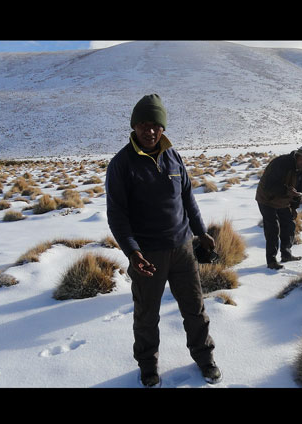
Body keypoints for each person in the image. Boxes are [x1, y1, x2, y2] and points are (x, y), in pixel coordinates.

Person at [105, 94, 221, 387]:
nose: (150, 130)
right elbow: (118, 216)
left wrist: (200, 231)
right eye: (144, 124)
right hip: (147, 256)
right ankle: (148, 365)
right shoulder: (121, 164)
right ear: (134, 126)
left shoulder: (174, 156)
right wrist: (132, 252)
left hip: (182, 249)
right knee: (146, 315)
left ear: (164, 128)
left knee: (194, 308)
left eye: (156, 124)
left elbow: (187, 198)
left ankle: (205, 358)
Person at [255, 143, 302, 270]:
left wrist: (293, 207)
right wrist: (286, 191)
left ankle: (286, 254)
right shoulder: (281, 163)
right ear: (297, 155)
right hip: (266, 198)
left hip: (283, 200)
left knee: (289, 224)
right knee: (272, 228)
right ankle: (271, 261)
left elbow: (300, 191)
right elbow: (269, 186)